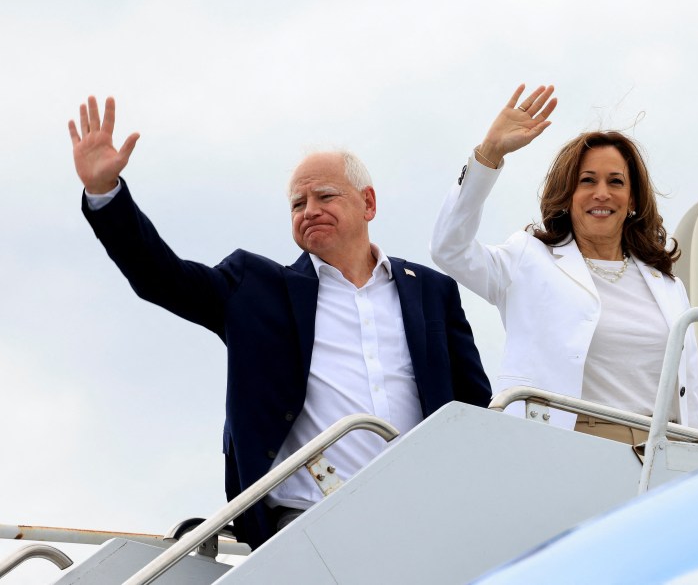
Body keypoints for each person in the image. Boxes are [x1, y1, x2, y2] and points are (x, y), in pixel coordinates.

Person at [68, 96, 491, 548]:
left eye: (325, 196)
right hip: (310, 521)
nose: (309, 209)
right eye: (297, 203)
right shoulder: (255, 287)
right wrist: (106, 195)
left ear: (368, 203)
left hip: (425, 516)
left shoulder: (430, 290)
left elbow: (473, 404)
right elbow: (161, 277)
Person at [431, 84, 698, 446]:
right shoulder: (528, 259)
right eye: (587, 181)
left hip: (662, 449)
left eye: (616, 182)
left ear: (633, 198)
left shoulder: (668, 285)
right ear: (567, 195)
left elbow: (692, 389)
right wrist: (489, 154)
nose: (602, 194)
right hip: (569, 447)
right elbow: (449, 248)